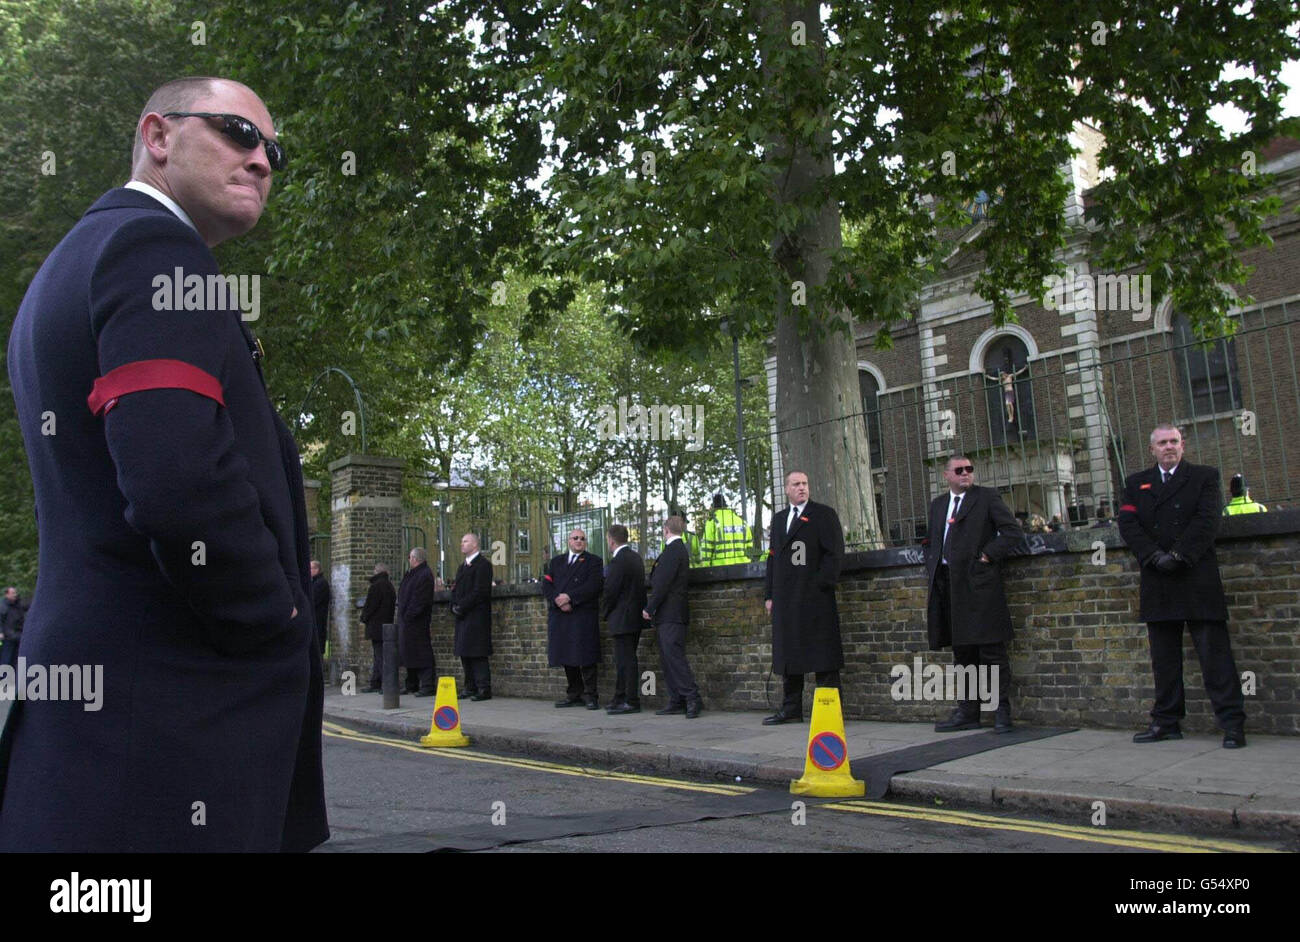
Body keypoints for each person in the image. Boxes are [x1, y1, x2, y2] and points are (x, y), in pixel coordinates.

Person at [0, 77, 327, 852]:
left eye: (272, 149)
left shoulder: (72, 262)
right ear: (157, 136)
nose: (262, 160)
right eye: (236, 132)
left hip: (106, 726)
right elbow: (178, 480)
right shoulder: (153, 248)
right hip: (169, 725)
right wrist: (275, 617)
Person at [1117, 424, 1247, 748]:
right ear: (1153, 449)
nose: (1169, 447)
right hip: (1157, 578)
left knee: (1215, 657)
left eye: (1174, 441)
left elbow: (1207, 521)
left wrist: (1179, 555)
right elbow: (1128, 524)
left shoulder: (1204, 477)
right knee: (1164, 660)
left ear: (1182, 445)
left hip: (1196, 576)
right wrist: (1152, 556)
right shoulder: (1136, 484)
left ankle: (1232, 723)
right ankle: (1166, 721)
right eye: (1162, 443)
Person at [924, 455, 1023, 733]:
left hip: (978, 584)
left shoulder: (986, 498)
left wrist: (987, 556)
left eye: (969, 469)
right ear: (947, 475)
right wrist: (931, 561)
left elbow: (1012, 533)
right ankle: (968, 710)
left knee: (991, 650)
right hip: (948, 585)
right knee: (962, 651)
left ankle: (1001, 710)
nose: (966, 473)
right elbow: (931, 540)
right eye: (959, 470)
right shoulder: (939, 505)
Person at [762, 471, 845, 725]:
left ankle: (829, 711)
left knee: (823, 654)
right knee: (789, 654)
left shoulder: (823, 514)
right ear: (786, 489)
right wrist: (769, 594)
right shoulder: (778, 520)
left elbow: (834, 554)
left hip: (815, 598)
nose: (802, 488)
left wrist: (821, 583)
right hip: (786, 600)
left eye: (805, 484)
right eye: (796, 484)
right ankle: (791, 709)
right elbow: (773, 558)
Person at [644, 515, 703, 718]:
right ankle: (676, 699)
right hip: (670, 614)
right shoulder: (678, 550)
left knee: (674, 658)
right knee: (668, 658)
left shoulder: (672, 551)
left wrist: (649, 608)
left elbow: (662, 584)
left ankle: (691, 697)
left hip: (671, 613)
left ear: (666, 530)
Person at [542, 529, 604, 709]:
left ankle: (591, 695)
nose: (579, 541)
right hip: (560, 614)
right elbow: (546, 583)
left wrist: (570, 597)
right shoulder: (556, 562)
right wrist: (558, 601)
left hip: (582, 614)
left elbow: (594, 586)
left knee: (586, 656)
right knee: (566, 654)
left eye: (582, 539)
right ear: (569, 541)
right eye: (575, 538)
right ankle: (574, 692)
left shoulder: (594, 561)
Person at [600, 524, 646, 715]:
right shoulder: (636, 558)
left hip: (621, 618)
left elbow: (611, 591)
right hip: (635, 616)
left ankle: (631, 700)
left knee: (626, 661)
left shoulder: (617, 561)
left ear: (611, 540)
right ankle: (619, 697)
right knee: (624, 659)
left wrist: (604, 612)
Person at [451, 533, 494, 701]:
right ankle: (469, 686)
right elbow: (455, 589)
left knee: (478, 653)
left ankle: (483, 688)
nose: (462, 544)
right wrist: (453, 605)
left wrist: (462, 606)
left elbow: (480, 591)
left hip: (476, 617)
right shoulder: (462, 567)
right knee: (465, 653)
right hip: (462, 616)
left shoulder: (483, 565)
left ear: (475, 545)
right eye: (461, 541)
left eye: (465, 541)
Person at [397, 547, 438, 697]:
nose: (409, 560)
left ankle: (427, 685)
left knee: (422, 653)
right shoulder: (413, 574)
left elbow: (420, 600)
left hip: (417, 621)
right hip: (408, 621)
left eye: (410, 557)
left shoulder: (424, 574)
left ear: (415, 559)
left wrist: (408, 615)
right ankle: (411, 683)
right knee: (409, 653)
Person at [359, 563, 396, 693]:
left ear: (377, 571)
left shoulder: (376, 586)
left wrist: (363, 617)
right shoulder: (390, 586)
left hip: (375, 626)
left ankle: (384, 683)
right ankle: (376, 681)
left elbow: (370, 606)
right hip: (386, 625)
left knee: (380, 656)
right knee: (379, 655)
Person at [700, 494, 752, 566]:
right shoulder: (742, 522)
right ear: (726, 506)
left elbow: (706, 548)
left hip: (720, 568)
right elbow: (749, 547)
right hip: (744, 567)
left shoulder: (712, 522)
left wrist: (705, 567)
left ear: (714, 507)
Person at [0, 588, 27, 670]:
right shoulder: (2, 606)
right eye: (12, 593)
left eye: (15, 592)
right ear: (7, 594)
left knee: (16, 658)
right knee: (6, 658)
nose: (15, 594)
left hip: (18, 635)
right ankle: (4, 677)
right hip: (8, 636)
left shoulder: (18, 605)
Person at [309, 559, 330, 656]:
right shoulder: (314, 583)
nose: (309, 570)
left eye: (311, 568)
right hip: (315, 620)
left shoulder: (321, 583)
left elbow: (312, 601)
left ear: (317, 569)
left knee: (316, 648)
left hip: (318, 620)